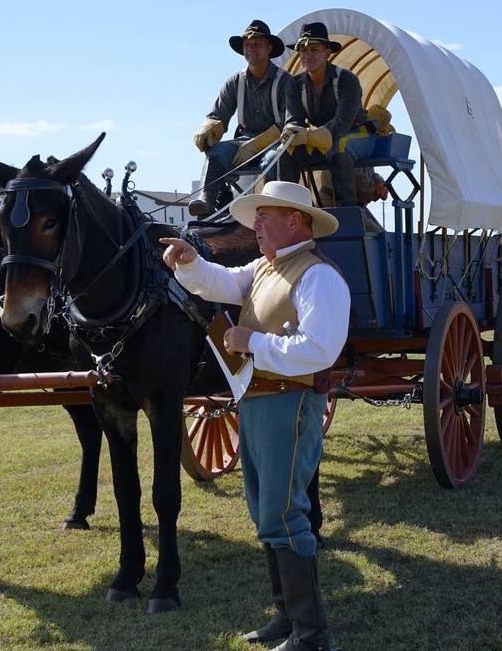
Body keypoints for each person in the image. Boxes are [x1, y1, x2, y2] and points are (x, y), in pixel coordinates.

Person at [161, 181, 347, 651]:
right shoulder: (267, 268)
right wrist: (190, 262)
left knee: (284, 514)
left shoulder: (317, 276)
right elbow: (222, 282)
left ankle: (312, 633)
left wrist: (252, 343)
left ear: (296, 222)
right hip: (261, 402)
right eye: (256, 217)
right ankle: (287, 620)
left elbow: (320, 349)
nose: (255, 225)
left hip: (289, 402)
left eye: (266, 217)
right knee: (267, 514)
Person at [189, 20, 294, 217]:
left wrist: (256, 145)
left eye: (257, 44)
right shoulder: (234, 82)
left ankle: (273, 209)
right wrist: (208, 128)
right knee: (218, 151)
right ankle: (208, 202)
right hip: (244, 140)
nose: (251, 49)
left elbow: (287, 125)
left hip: (275, 143)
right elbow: (217, 115)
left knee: (273, 160)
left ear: (269, 48)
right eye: (247, 45)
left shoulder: (285, 81)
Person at [283, 22, 377, 208]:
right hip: (319, 138)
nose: (307, 55)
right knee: (287, 151)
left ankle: (346, 212)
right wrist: (291, 133)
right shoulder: (294, 85)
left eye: (314, 50)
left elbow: (342, 123)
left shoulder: (347, 79)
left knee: (339, 147)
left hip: (357, 134)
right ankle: (288, 209)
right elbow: (294, 120)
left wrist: (310, 136)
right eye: (303, 50)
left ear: (327, 53)